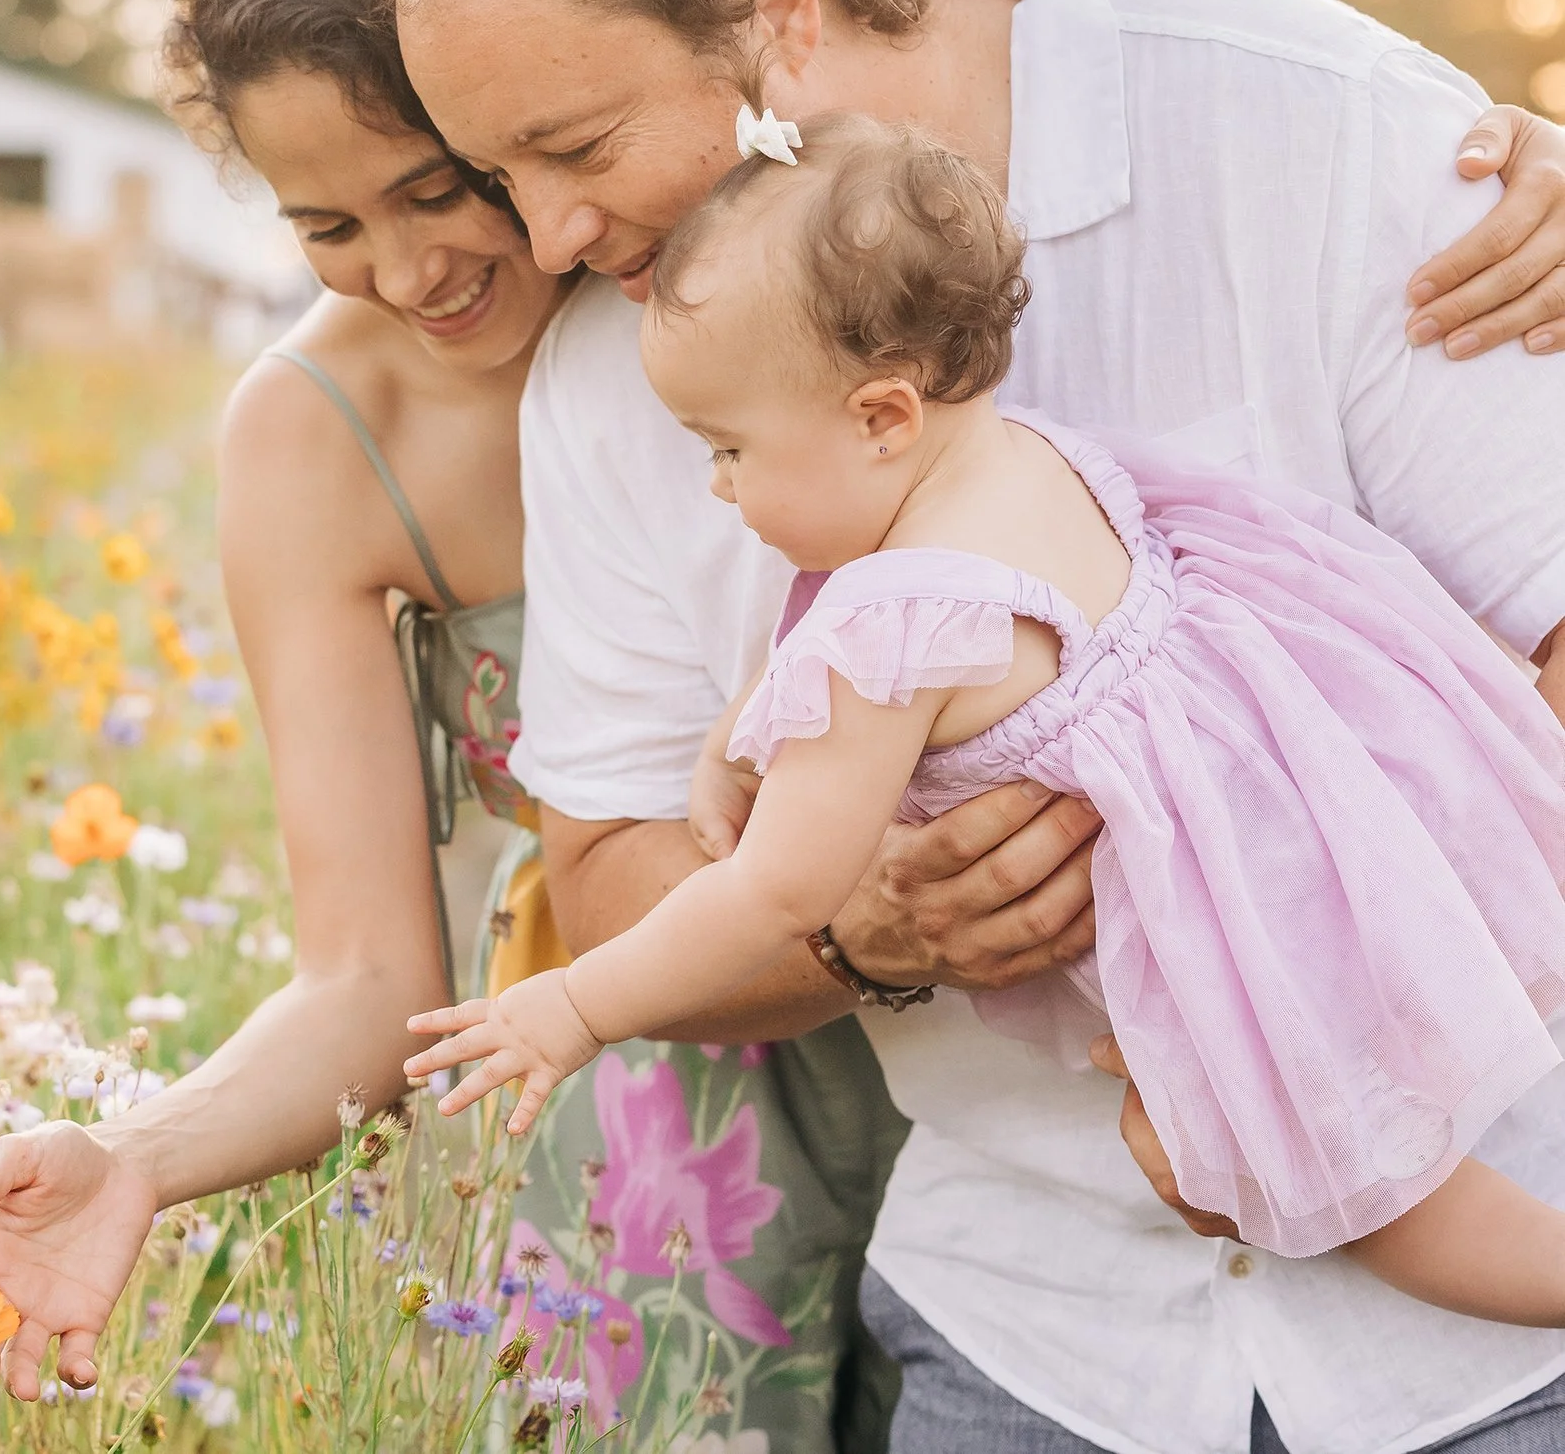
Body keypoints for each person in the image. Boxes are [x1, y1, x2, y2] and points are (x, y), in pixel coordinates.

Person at [346, 0, 1565, 1450]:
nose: (547, 236)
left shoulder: (1315, 126)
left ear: (778, 7)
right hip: (1031, 1337)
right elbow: (611, 862)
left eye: (577, 148)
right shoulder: (620, 356)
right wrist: (863, 930)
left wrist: (1317, 1031)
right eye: (495, 170)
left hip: (1503, 1316)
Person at [0, 0, 912, 1451]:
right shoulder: (316, 435)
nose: (406, 268)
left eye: (439, 186)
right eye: (326, 226)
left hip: (981, 1059)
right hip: (646, 1138)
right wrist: (140, 1156)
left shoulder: (781, 274)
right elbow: (369, 975)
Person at [408, 111, 1565, 1333]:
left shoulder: (886, 639)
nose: (719, 484)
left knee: (1376, 1200)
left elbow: (774, 893)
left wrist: (576, 1006)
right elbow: (864, 632)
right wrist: (739, 729)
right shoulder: (1033, 459)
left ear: (881, 418)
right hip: (1317, 839)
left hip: (1241, 927)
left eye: (730, 448)